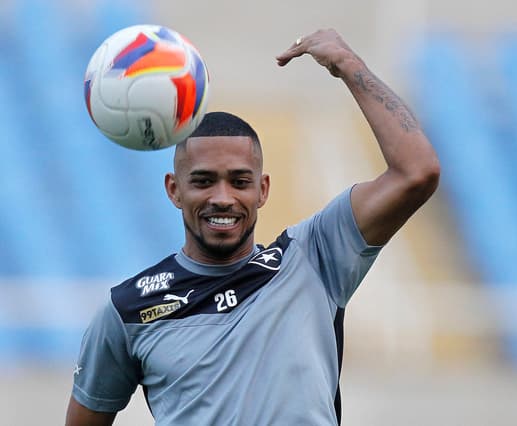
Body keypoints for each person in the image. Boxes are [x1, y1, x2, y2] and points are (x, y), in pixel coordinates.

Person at [65, 28, 440, 426]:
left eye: (240, 181)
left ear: (262, 190)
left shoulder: (313, 256)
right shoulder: (129, 309)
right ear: (174, 190)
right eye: (204, 181)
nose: (223, 197)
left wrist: (348, 66)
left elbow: (417, 172)